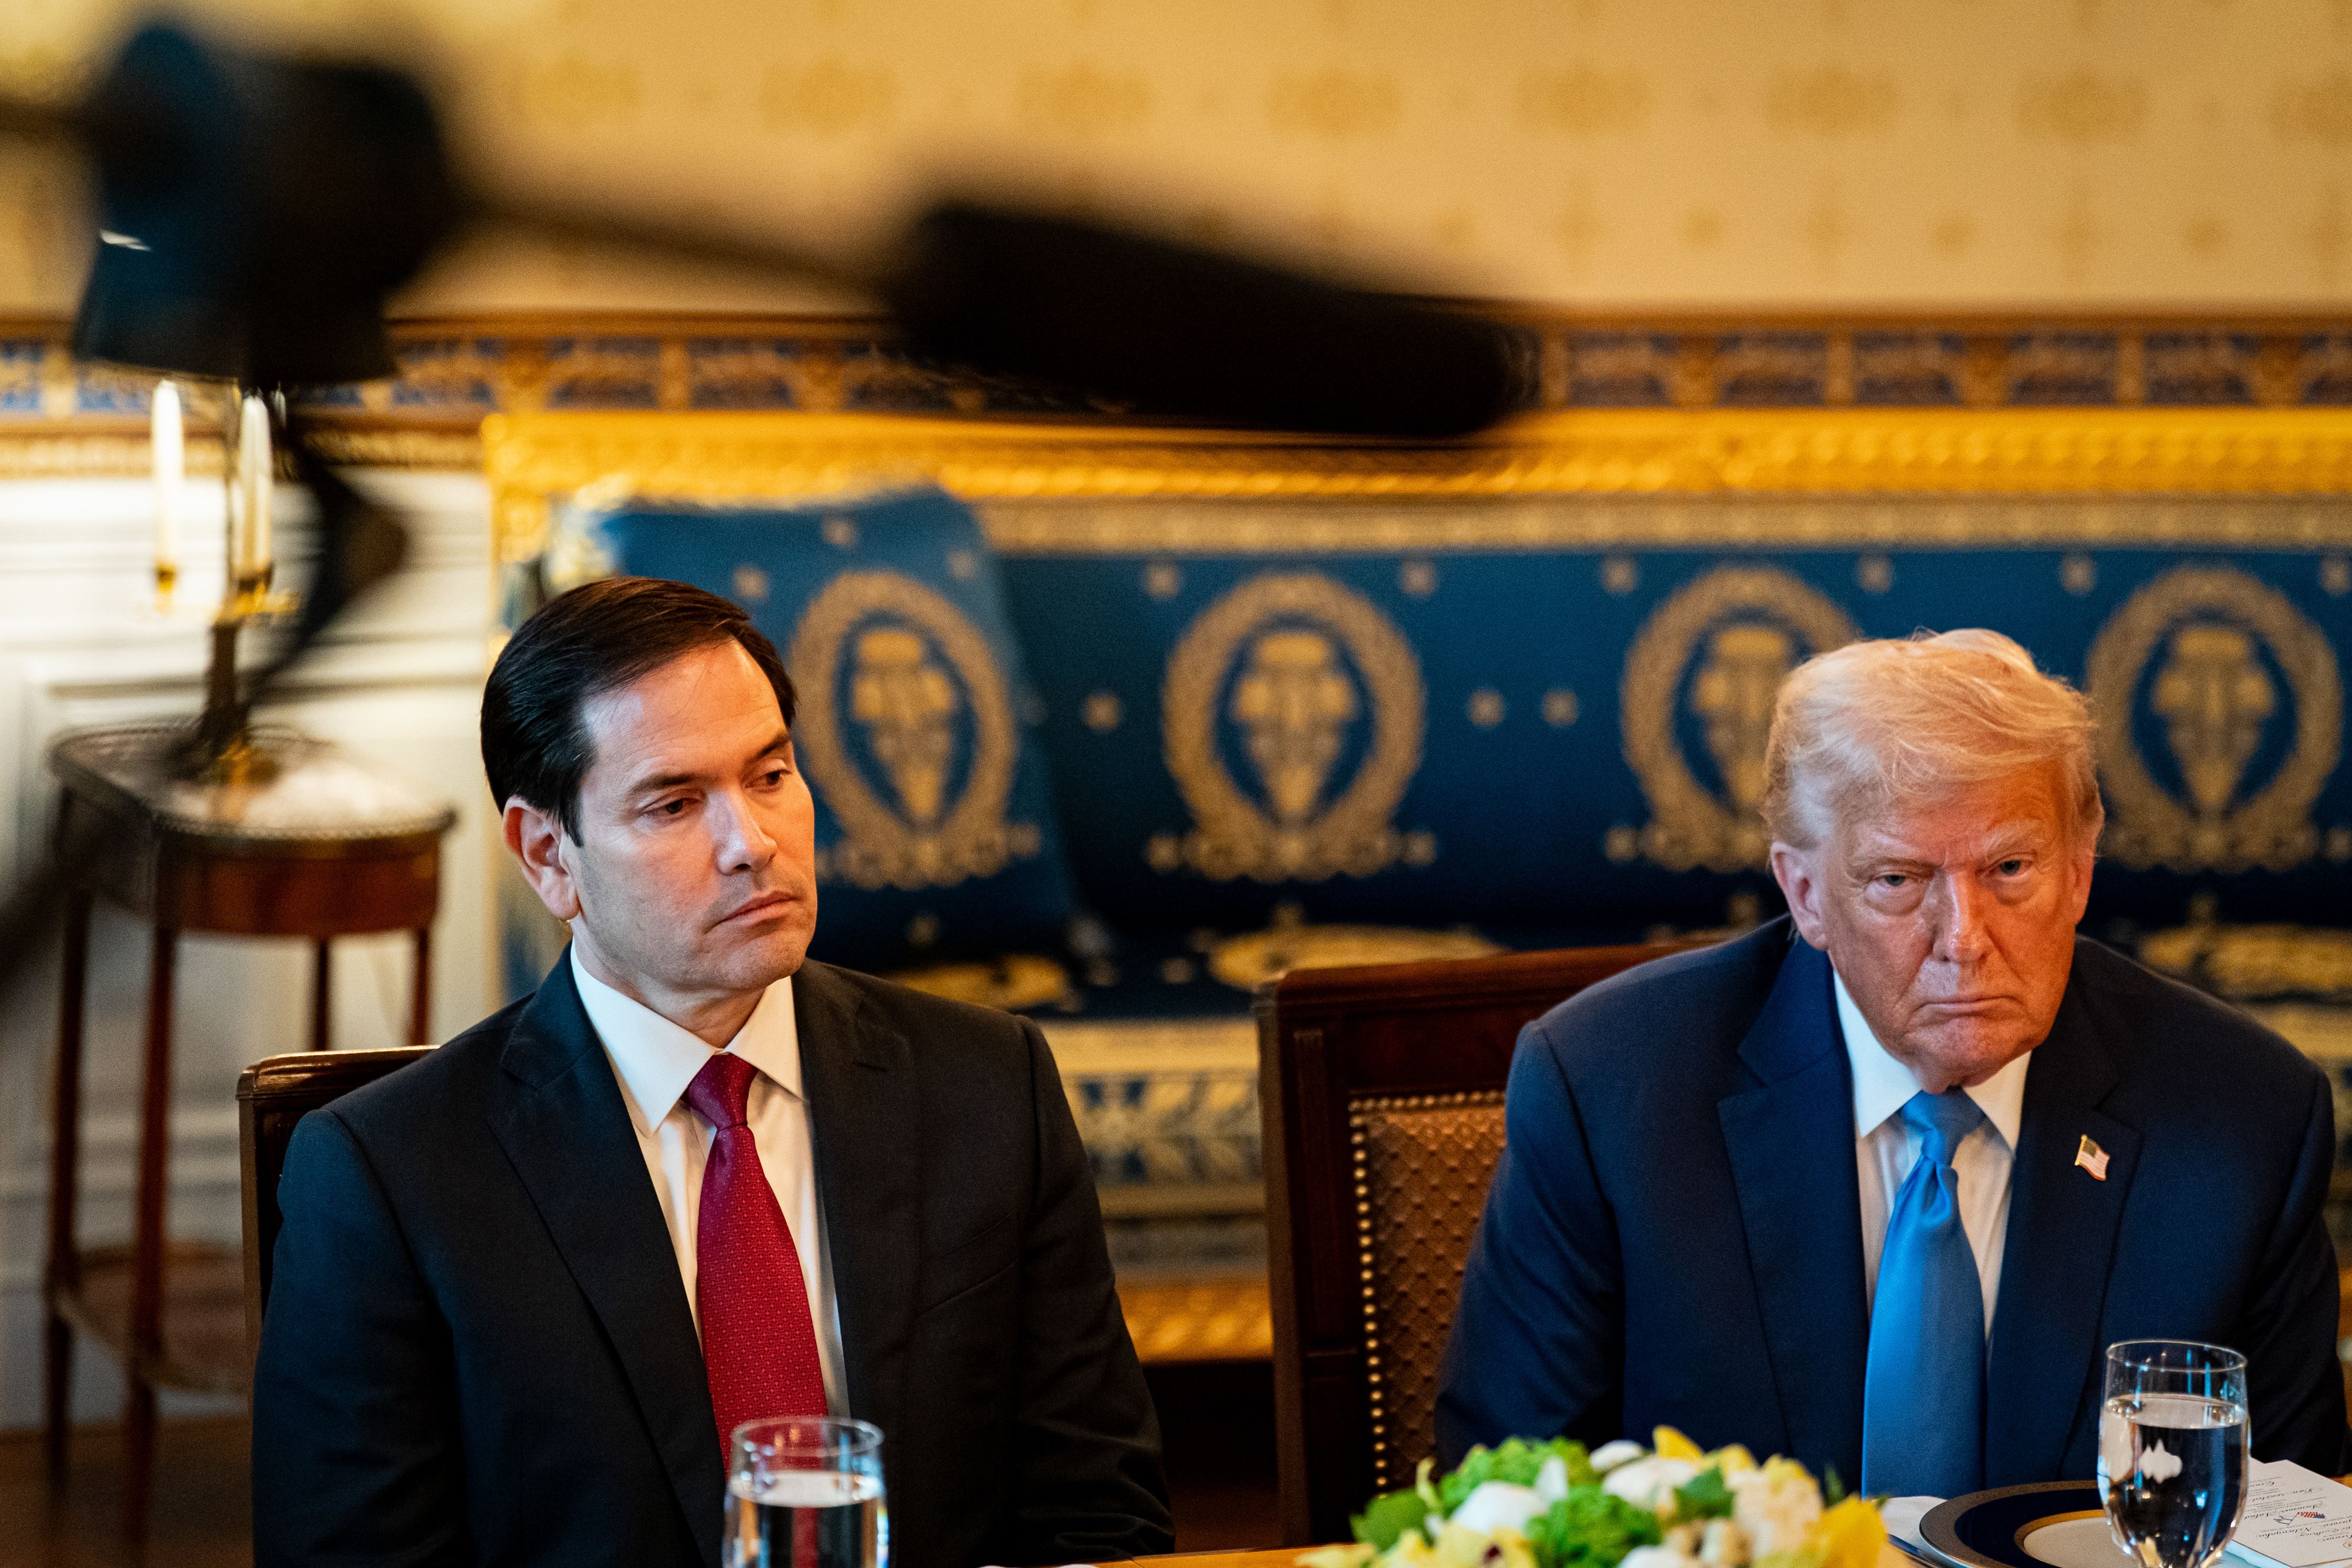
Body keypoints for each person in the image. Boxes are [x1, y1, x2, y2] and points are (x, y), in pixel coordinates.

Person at [252, 577, 1172, 1568]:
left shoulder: (991, 1087)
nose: (753, 845)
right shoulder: (391, 1177)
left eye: (771, 775)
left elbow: (1101, 1524)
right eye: (675, 803)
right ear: (548, 854)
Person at [1438, 629, 2344, 1495]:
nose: (1966, 941)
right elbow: (1507, 1501)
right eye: (1897, 881)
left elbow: (2294, 1522)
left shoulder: (2248, 1116)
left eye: (2012, 868)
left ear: (2079, 870)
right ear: (1805, 894)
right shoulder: (1610, 1090)